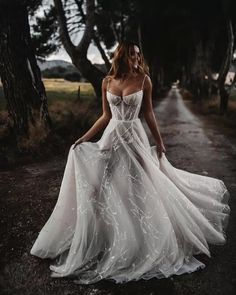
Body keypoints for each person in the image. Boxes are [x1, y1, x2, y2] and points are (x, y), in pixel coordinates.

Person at [30, 42, 230, 285]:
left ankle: (145, 240)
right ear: (122, 56)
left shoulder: (144, 80)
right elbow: (105, 116)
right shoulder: (107, 81)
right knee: (98, 187)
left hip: (134, 137)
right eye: (132, 54)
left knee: (141, 186)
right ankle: (101, 238)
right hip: (111, 137)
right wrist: (84, 138)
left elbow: (148, 114)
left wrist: (159, 141)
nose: (136, 57)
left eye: (138, 54)